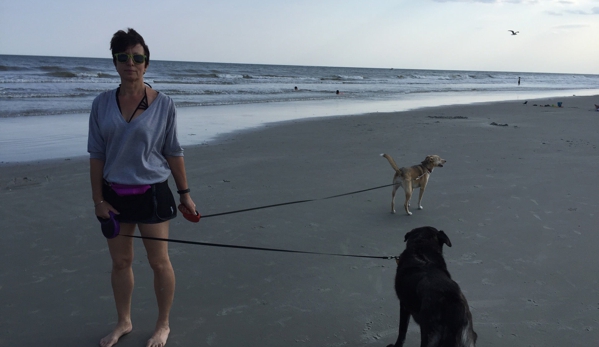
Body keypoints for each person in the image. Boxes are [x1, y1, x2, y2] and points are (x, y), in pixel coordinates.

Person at [88, 28, 197, 347]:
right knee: (120, 262)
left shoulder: (164, 105)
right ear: (115, 62)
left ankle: (162, 325)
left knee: (158, 261)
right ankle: (124, 322)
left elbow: (173, 151)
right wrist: (97, 200)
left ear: (146, 64)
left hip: (152, 195)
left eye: (137, 57)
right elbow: (96, 154)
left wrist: (185, 194)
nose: (130, 63)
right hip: (114, 197)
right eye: (123, 57)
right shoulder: (101, 104)